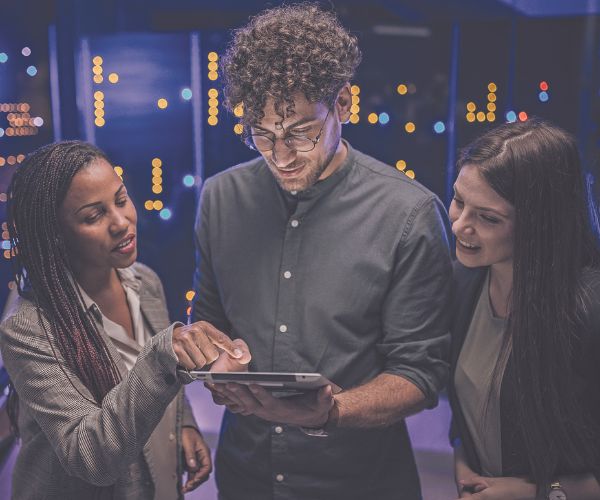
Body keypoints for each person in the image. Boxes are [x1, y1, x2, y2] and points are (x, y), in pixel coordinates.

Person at [192, 4, 452, 499]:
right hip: (246, 477)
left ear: (343, 104)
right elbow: (208, 318)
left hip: (359, 483)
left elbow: (420, 372)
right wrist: (212, 359)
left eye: (301, 132)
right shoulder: (219, 198)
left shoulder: (409, 214)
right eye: (262, 135)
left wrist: (330, 411)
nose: (281, 156)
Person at [0, 141, 250, 499]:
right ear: (56, 234)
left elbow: (162, 388)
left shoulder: (145, 281)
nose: (121, 222)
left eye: (120, 200)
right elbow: (91, 457)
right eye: (93, 216)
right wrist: (166, 353)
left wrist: (183, 423)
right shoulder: (29, 329)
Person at [448, 119, 600, 499]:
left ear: (539, 224)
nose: (459, 226)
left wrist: (538, 491)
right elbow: (473, 407)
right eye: (459, 201)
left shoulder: (588, 309)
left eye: (488, 218)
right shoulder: (463, 282)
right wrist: (463, 459)